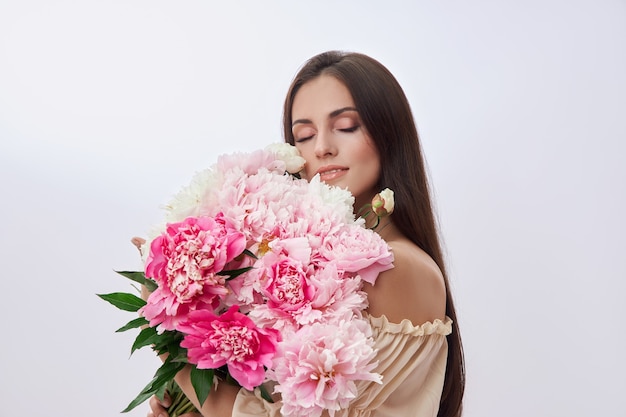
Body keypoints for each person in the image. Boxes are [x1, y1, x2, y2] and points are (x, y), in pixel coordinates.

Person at [146, 50, 465, 417]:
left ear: (390, 132)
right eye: (304, 134)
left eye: (346, 126)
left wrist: (172, 339)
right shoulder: (304, 254)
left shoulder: (395, 266)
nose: (322, 147)